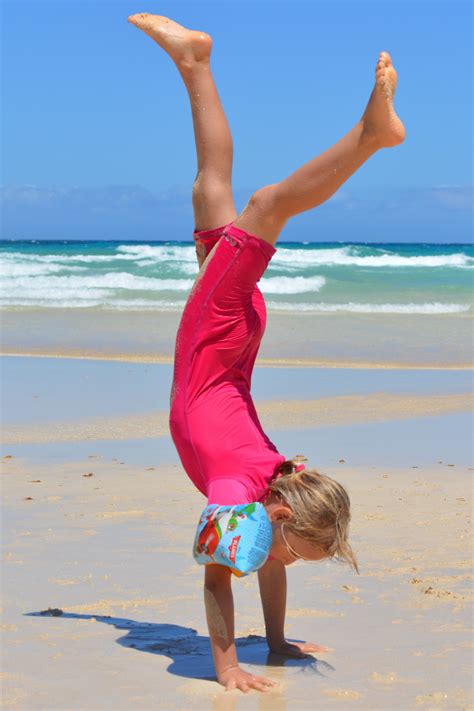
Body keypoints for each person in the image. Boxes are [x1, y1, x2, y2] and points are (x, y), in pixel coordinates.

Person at [128, 12, 405, 694]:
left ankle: (195, 64)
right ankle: (370, 137)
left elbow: (264, 559)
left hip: (232, 340)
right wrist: (226, 666)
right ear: (280, 512)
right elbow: (218, 574)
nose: (286, 560)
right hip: (219, 331)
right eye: (296, 548)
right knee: (265, 203)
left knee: (210, 190)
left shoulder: (271, 493)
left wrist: (277, 644)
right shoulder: (239, 494)